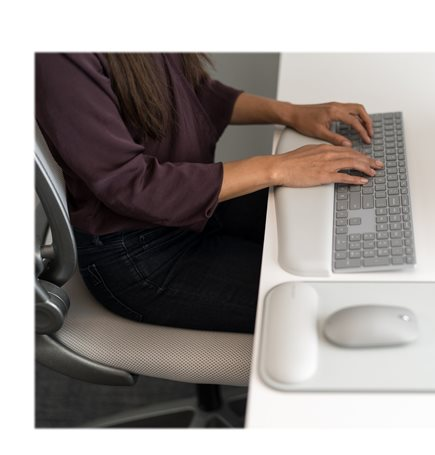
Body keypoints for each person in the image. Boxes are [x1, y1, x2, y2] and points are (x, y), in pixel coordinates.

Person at [35, 53, 380, 333]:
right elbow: (130, 185)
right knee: (325, 305)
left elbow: (195, 91)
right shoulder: (58, 57)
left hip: (196, 203)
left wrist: (290, 112)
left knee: (339, 227)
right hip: (140, 255)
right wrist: (277, 167)